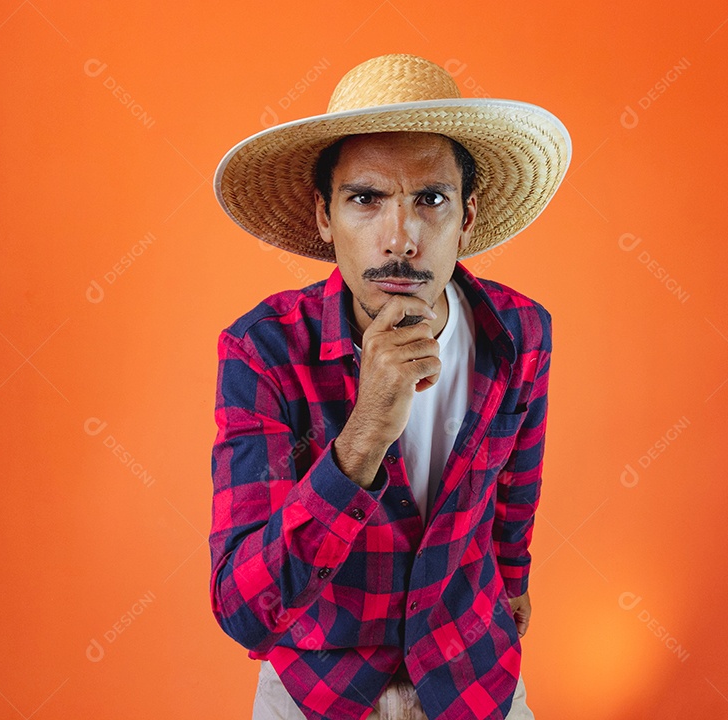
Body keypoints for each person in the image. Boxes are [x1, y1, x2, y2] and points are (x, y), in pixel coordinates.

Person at [210, 53, 571, 720]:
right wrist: (363, 437)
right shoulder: (263, 351)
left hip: (471, 676)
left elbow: (516, 492)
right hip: (321, 690)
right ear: (325, 217)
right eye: (365, 199)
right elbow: (244, 609)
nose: (400, 238)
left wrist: (512, 584)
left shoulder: (521, 332)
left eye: (430, 199)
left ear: (466, 218)